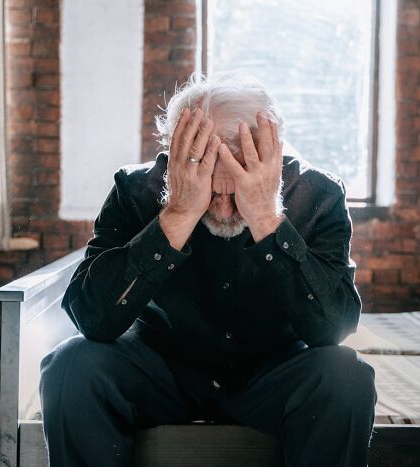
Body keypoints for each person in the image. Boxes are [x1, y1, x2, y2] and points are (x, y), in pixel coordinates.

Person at [39, 72, 377, 467]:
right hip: (163, 370)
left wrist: (267, 218)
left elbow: (333, 328)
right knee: (71, 366)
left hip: (272, 372)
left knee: (346, 375)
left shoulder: (318, 194)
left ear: (269, 159)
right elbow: (93, 318)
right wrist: (179, 212)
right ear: (177, 159)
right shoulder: (135, 190)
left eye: (236, 190)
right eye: (210, 192)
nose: (221, 208)